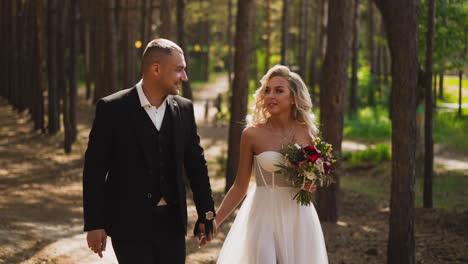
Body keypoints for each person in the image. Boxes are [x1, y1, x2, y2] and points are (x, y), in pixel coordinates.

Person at [82, 38, 216, 264]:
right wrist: (94, 224)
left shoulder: (184, 108)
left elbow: (196, 166)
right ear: (156, 69)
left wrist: (206, 213)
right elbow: (94, 171)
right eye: (179, 70)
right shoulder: (113, 108)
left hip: (172, 224)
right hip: (129, 225)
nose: (184, 77)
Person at [214, 65, 328, 263]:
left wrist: (311, 183)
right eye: (267, 90)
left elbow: (312, 179)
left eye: (278, 90)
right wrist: (214, 221)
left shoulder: (307, 133)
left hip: (298, 217)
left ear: (293, 98)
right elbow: (240, 185)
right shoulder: (252, 134)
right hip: (263, 215)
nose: (270, 95)